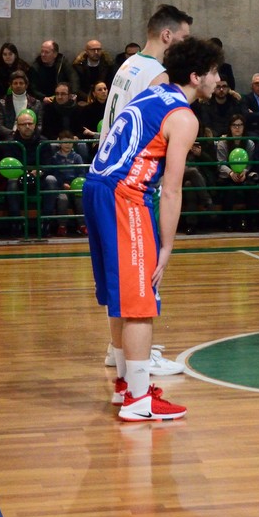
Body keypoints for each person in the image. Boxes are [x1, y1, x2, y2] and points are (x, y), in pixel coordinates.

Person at [84, 35, 222, 422]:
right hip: (124, 196)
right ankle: (138, 399)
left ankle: (126, 385)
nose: (218, 79)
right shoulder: (184, 117)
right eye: (213, 72)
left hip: (96, 185)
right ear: (195, 76)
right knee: (140, 301)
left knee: (121, 296)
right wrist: (167, 246)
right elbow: (173, 188)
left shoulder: (152, 93)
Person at [101, 4, 194, 141]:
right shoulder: (158, 76)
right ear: (167, 35)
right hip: (130, 152)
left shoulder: (129, 63)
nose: (186, 44)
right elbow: (155, 134)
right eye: (184, 38)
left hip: (109, 149)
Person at [0, 70, 41, 140]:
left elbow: (39, 125)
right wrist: (12, 133)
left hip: (30, 136)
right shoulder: (2, 103)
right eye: (15, 83)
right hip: (10, 137)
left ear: (26, 85)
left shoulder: (36, 103)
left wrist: (29, 133)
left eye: (21, 83)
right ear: (11, 85)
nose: (18, 85)